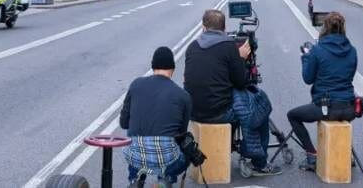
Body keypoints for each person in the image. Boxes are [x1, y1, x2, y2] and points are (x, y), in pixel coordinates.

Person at [184, 10, 281, 177]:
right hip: (218, 113)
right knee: (260, 110)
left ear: (203, 27)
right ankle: (259, 164)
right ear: (224, 28)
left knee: (228, 101)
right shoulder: (228, 47)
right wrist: (240, 58)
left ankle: (227, 148)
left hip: (194, 111)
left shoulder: (192, 46)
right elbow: (241, 82)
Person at [287, 12, 357, 172]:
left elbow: (308, 79)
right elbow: (349, 76)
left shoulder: (317, 51)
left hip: (327, 108)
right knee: (338, 118)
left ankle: (312, 155)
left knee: (293, 115)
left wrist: (306, 57)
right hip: (349, 108)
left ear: (324, 28)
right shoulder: (352, 50)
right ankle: (346, 154)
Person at [120, 47, 192, 186]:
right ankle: (165, 180)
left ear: (153, 67)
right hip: (167, 158)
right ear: (173, 69)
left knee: (135, 148)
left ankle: (135, 181)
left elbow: (124, 123)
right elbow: (181, 133)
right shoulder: (183, 96)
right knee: (185, 155)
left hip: (136, 155)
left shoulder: (136, 84)